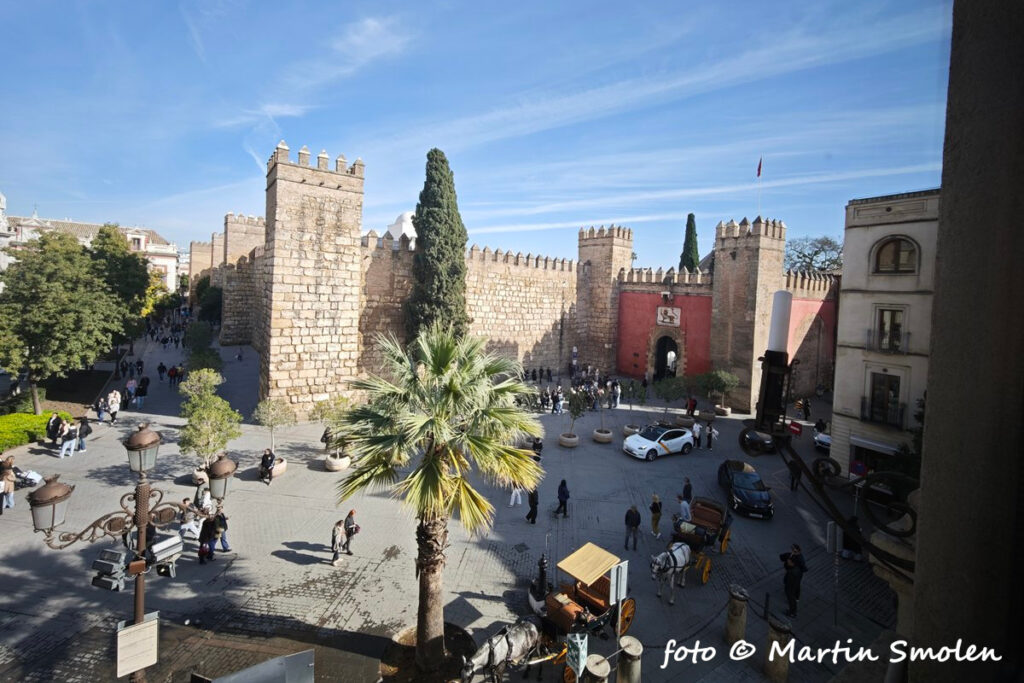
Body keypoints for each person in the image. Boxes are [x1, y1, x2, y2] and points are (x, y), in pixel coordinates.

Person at [780, 544, 807, 617]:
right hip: (791, 576)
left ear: (799, 551)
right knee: (791, 589)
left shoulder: (799, 560)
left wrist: (791, 563)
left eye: (795, 551)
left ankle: (792, 612)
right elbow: (782, 557)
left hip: (793, 578)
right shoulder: (791, 556)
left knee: (790, 593)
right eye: (792, 550)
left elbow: (803, 568)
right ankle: (794, 602)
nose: (793, 552)